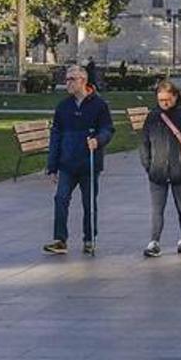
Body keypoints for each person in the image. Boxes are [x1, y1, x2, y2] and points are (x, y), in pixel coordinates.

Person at [44, 64, 114, 256]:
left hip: (89, 162)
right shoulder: (63, 107)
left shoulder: (99, 105)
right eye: (66, 79)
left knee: (89, 202)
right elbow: (56, 135)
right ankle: (60, 239)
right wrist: (52, 166)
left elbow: (108, 129)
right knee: (60, 199)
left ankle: (89, 239)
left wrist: (98, 140)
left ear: (83, 81)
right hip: (67, 163)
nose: (67, 83)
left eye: (71, 79)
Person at [139, 80, 181, 257]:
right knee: (157, 208)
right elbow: (144, 142)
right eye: (161, 100)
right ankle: (154, 241)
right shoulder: (153, 116)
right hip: (157, 170)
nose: (164, 103)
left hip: (180, 170)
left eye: (167, 99)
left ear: (175, 96)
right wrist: (148, 164)